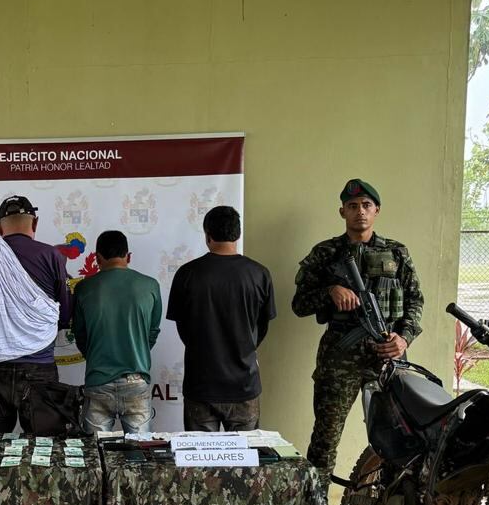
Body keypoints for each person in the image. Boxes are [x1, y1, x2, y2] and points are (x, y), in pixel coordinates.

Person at [292, 178, 424, 476]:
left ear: (377, 210)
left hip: (387, 357)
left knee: (398, 440)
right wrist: (330, 291)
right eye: (352, 206)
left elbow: (415, 301)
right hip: (340, 359)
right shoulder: (325, 253)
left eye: (366, 205)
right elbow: (299, 304)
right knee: (325, 440)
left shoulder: (397, 253)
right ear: (342, 212)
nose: (360, 212)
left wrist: (404, 338)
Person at [0, 195, 72, 433]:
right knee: (44, 449)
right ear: (35, 223)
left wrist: (0, 334)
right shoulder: (52, 257)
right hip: (39, 368)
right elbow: (63, 315)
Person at [166, 206, 275, 432]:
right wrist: (245, 349)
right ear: (238, 234)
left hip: (201, 384)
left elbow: (182, 328)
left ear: (207, 235)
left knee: (201, 464)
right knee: (245, 463)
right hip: (244, 385)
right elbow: (262, 326)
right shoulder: (259, 274)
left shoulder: (187, 274)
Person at [72, 230, 162, 434]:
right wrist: (136, 350)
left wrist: (95, 356)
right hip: (136, 381)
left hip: (97, 381)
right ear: (128, 256)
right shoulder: (150, 285)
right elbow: (152, 332)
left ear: (97, 259)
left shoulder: (84, 288)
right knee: (140, 454)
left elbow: (80, 334)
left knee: (96, 456)